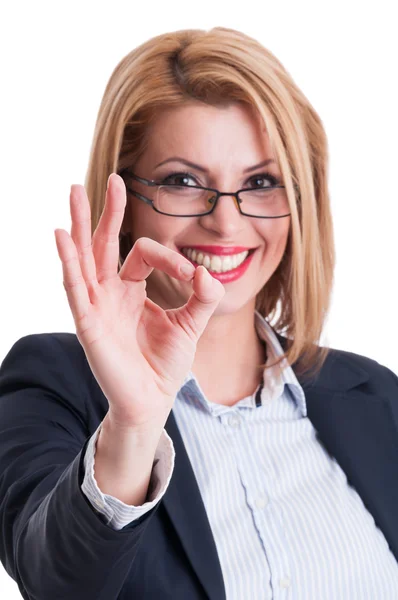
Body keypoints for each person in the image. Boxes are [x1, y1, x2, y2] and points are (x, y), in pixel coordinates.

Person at [0, 25, 398, 600]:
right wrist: (133, 428)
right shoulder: (52, 383)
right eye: (182, 181)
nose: (227, 223)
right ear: (126, 202)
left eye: (260, 182)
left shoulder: (377, 399)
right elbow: (57, 581)